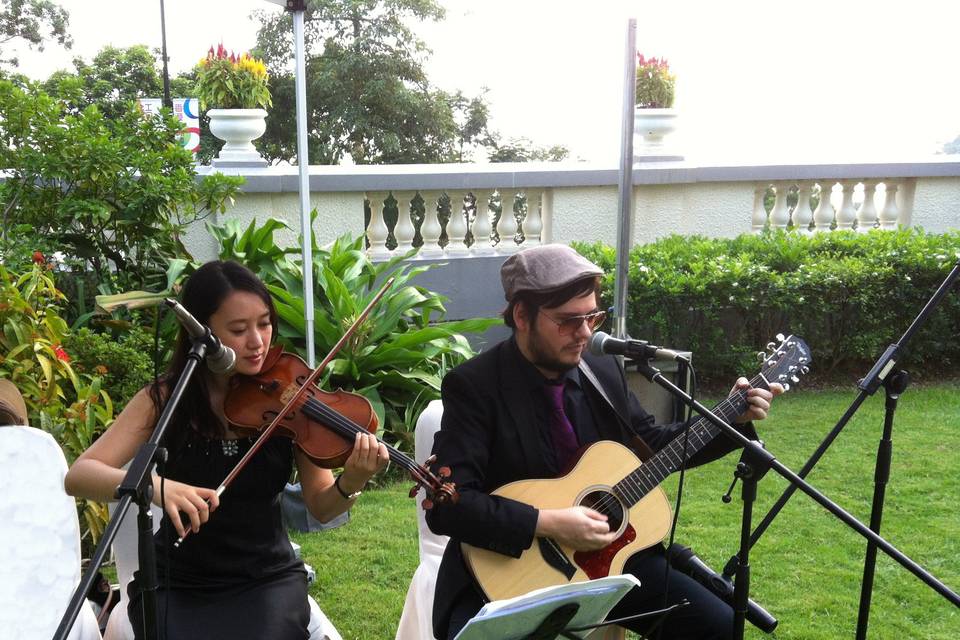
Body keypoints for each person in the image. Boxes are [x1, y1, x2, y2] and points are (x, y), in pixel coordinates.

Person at [424, 244, 783, 640]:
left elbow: (649, 443)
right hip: (507, 570)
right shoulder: (475, 386)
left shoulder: (599, 368)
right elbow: (448, 506)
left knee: (719, 628)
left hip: (605, 559)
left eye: (592, 316)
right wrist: (551, 523)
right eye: (567, 321)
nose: (584, 333)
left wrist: (730, 419)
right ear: (522, 316)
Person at [65, 260, 389, 640]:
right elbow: (80, 475)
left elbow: (321, 505)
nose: (257, 341)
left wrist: (352, 480)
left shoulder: (291, 397)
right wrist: (156, 486)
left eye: (264, 323)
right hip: (179, 581)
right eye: (239, 329)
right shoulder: (166, 400)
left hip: (266, 577)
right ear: (200, 330)